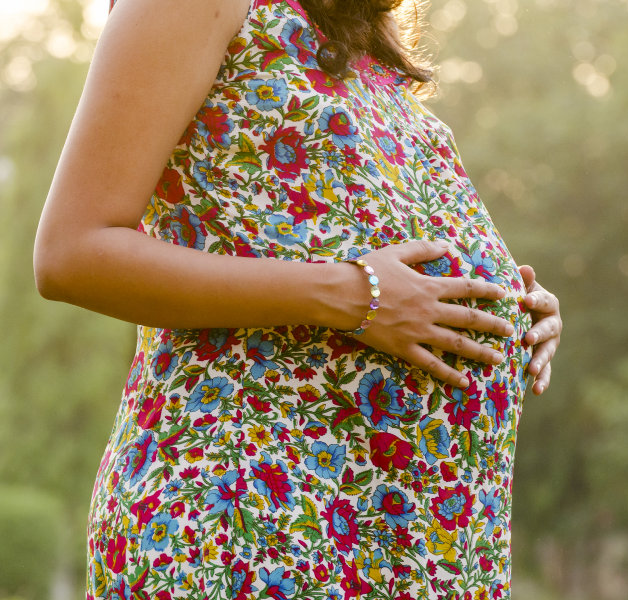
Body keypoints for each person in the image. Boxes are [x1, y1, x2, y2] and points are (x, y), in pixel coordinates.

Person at [34, 0, 562, 598]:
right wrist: (352, 293)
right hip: (251, 521)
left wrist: (509, 308)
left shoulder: (360, 40)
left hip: (409, 538)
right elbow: (71, 252)